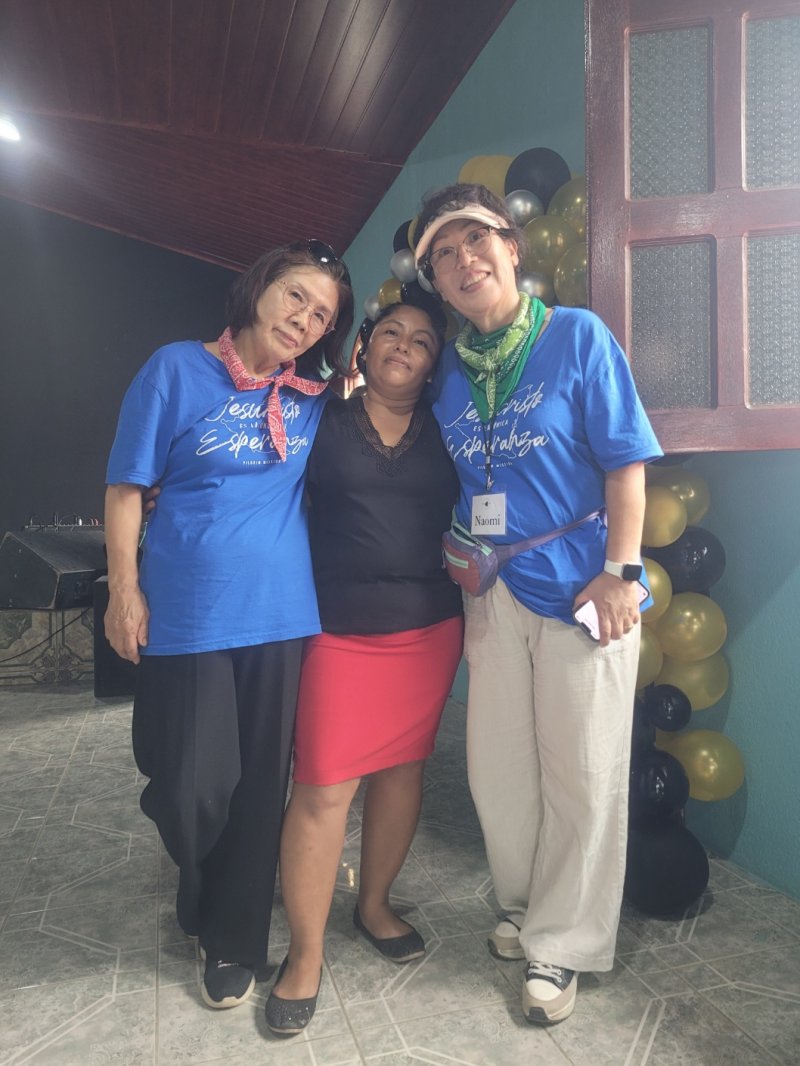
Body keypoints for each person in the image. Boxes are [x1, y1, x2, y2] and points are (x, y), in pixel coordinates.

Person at [412, 183, 662, 1025]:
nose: (464, 262)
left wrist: (621, 572)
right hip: (490, 590)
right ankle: (523, 907)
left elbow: (626, 462)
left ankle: (564, 943)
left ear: (512, 247)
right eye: (444, 256)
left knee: (583, 774)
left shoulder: (577, 336)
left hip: (582, 589)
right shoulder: (449, 370)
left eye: (476, 241)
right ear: (437, 282)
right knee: (499, 774)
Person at [103, 240, 354, 1010]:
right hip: (187, 613)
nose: (304, 320)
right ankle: (196, 868)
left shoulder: (313, 398)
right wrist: (123, 591)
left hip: (280, 615)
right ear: (259, 287)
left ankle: (232, 938)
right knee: (189, 785)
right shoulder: (176, 370)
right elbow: (126, 486)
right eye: (296, 297)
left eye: (321, 315)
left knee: (257, 790)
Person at [263, 302, 464, 1037]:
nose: (404, 347)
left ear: (433, 363)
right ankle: (305, 954)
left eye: (422, 340)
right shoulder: (321, 419)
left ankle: (374, 905)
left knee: (403, 771)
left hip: (429, 629)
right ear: (364, 347)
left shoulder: (450, 429)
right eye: (391, 334)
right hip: (336, 631)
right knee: (322, 790)